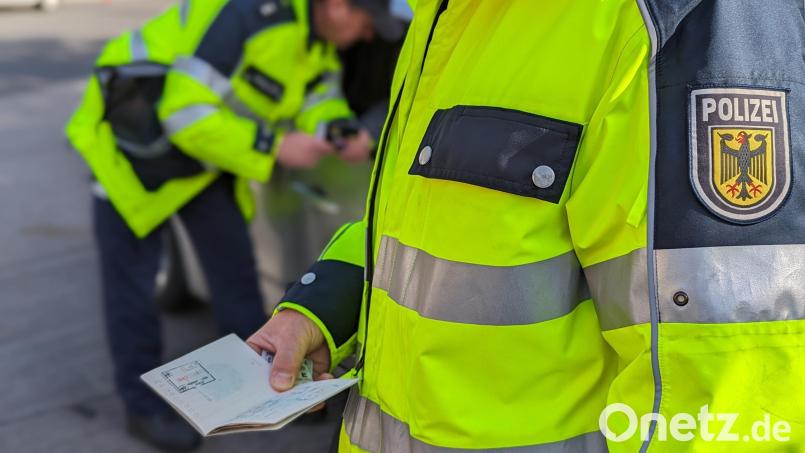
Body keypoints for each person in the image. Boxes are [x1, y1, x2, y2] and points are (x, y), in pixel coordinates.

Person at [247, 0, 805, 451]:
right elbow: (420, 223)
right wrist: (322, 306)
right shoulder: (446, 16)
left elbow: (724, 395)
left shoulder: (667, 21)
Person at [65, 0, 404, 450]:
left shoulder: (313, 41)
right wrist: (275, 146)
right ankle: (142, 410)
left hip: (202, 163)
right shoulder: (250, 16)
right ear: (339, 6)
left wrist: (339, 131)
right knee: (132, 292)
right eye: (365, 24)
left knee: (235, 275)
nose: (366, 36)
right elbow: (182, 111)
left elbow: (318, 99)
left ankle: (268, 390)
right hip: (131, 154)